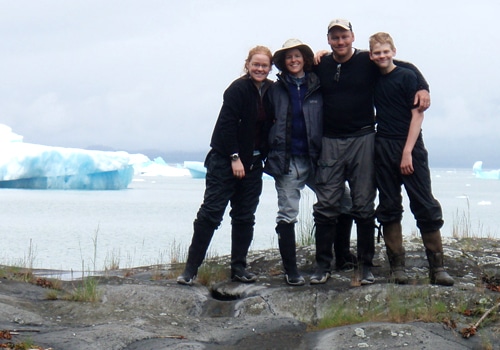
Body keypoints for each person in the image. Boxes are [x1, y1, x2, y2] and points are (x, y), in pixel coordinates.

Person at [311, 18, 431, 285]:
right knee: (327, 203)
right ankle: (323, 265)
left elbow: (402, 66)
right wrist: (317, 55)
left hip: (363, 137)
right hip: (330, 140)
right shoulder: (321, 64)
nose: (340, 41)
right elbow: (292, 67)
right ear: (328, 40)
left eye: (344, 36)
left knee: (364, 202)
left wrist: (423, 86)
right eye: (334, 37)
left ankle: (365, 266)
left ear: (353, 37)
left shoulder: (368, 61)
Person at [177, 45, 273, 286]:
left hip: (253, 162)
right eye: (256, 64)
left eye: (264, 65)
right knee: (210, 214)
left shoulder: (272, 91)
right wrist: (234, 157)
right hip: (225, 160)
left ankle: (239, 268)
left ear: (270, 68)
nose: (260, 69)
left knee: (244, 216)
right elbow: (227, 124)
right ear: (248, 65)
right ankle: (190, 269)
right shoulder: (237, 89)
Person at [368, 32, 454, 286]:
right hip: (382, 144)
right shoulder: (371, 76)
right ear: (371, 55)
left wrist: (407, 151)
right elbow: (348, 58)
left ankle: (437, 268)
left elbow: (417, 116)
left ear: (394, 51)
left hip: (410, 146)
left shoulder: (407, 76)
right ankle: (397, 267)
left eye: (386, 51)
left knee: (424, 203)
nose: (382, 56)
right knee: (389, 204)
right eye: (376, 53)